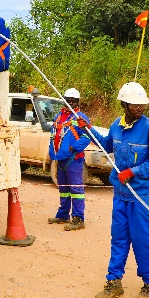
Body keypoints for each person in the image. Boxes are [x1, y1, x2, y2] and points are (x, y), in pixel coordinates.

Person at [86, 82, 149, 298]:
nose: (140, 108)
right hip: (121, 195)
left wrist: (134, 171)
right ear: (124, 104)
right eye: (134, 104)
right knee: (119, 239)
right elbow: (106, 145)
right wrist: (88, 128)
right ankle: (114, 282)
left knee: (143, 241)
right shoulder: (116, 125)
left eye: (142, 104)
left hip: (142, 197)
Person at [47, 88, 91, 231]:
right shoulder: (59, 117)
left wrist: (73, 148)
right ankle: (63, 214)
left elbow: (87, 137)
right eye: (68, 100)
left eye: (73, 101)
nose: (70, 103)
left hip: (74, 160)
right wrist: (52, 152)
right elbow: (54, 135)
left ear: (78, 102)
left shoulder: (80, 118)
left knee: (76, 190)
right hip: (60, 160)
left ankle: (78, 218)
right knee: (64, 189)